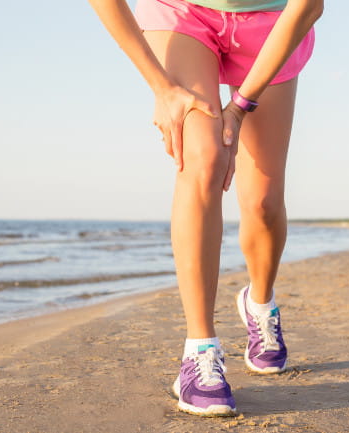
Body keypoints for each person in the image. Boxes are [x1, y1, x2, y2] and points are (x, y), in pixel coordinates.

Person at [88, 0, 323, 416]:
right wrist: (161, 89)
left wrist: (240, 105)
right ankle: (200, 352)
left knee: (264, 200)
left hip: (270, 19)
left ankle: (260, 301)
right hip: (183, 11)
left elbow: (309, 5)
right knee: (205, 158)